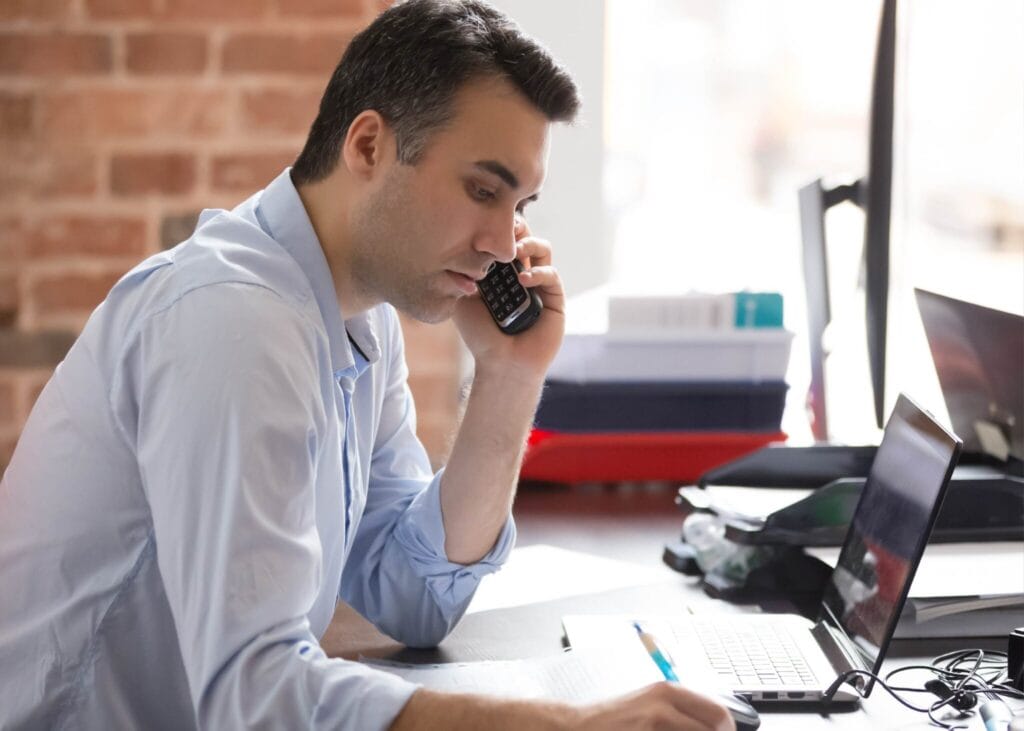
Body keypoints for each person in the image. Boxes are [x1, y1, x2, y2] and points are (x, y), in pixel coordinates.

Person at [0, 1, 734, 729]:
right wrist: (567, 727)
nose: (506, 245)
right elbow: (252, 697)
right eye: (483, 190)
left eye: (519, 204)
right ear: (369, 146)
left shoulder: (360, 314)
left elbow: (412, 594)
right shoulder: (235, 323)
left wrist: (509, 373)